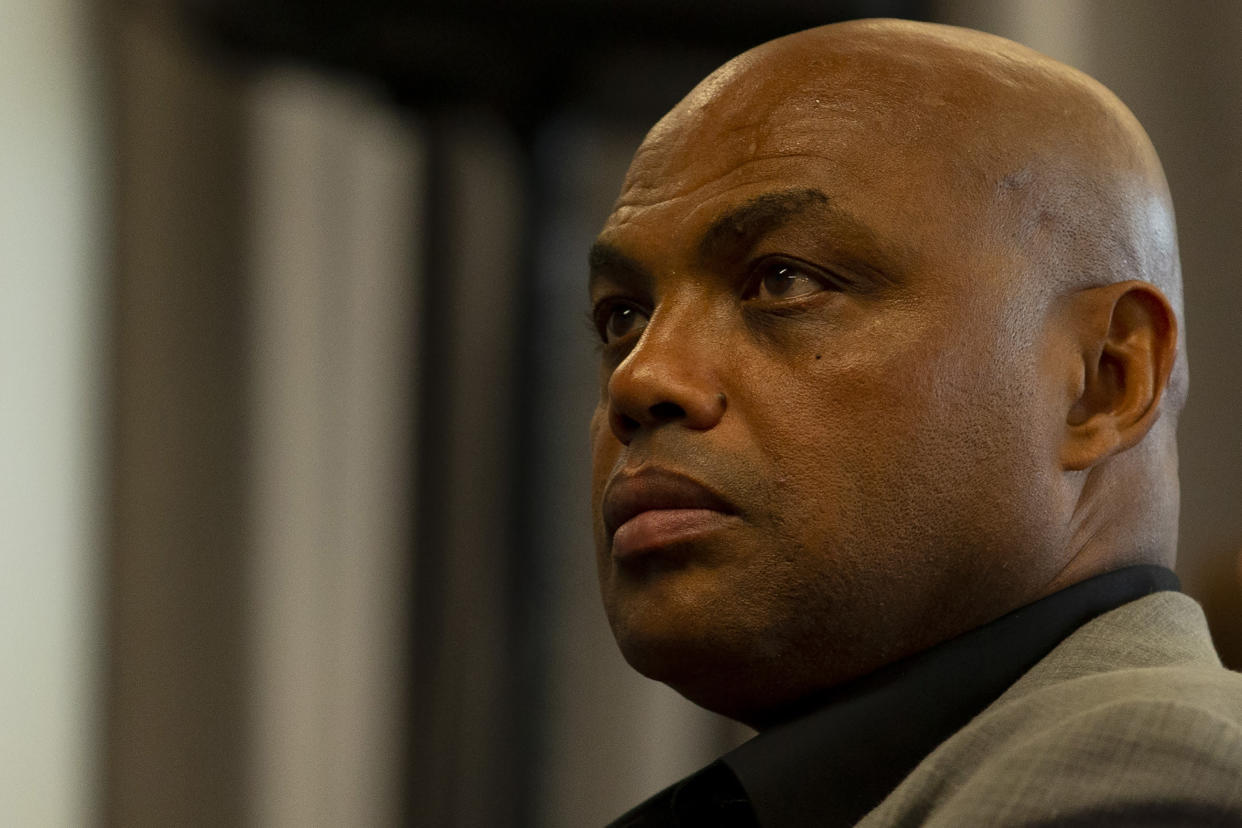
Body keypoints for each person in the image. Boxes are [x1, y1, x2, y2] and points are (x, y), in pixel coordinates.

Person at [586, 18, 1242, 826]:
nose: (640, 377)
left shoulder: (1144, 779)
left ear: (1104, 380)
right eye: (621, 317)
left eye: (785, 281)